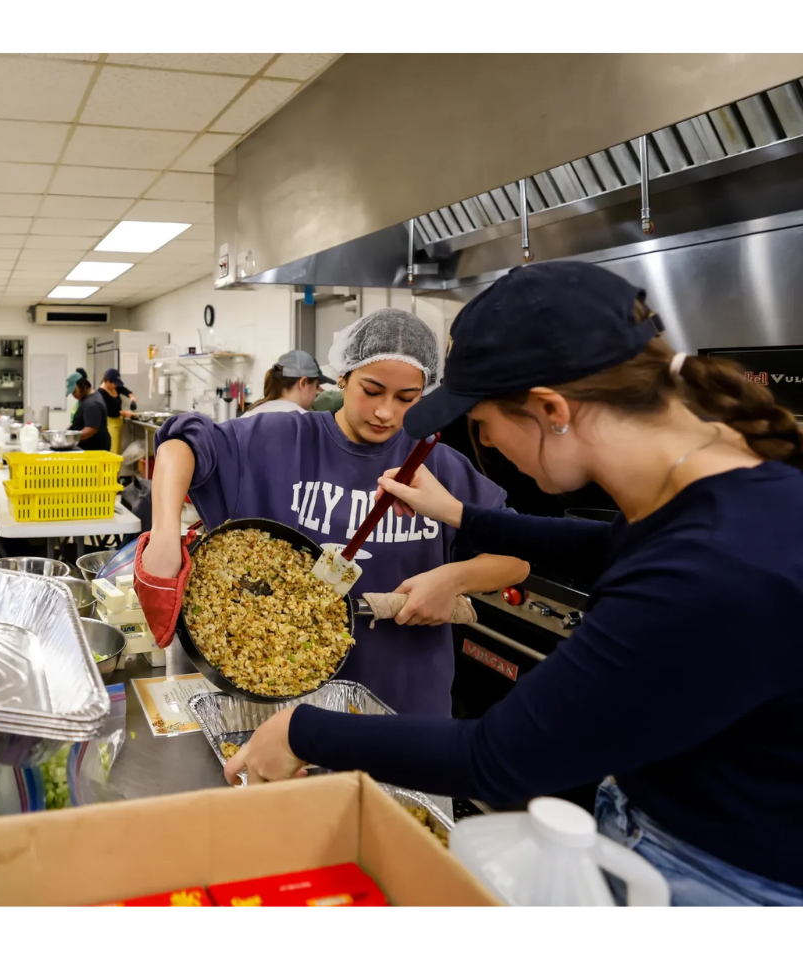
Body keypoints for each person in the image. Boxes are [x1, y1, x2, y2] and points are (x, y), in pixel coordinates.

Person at [224, 262, 803, 907]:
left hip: (727, 881)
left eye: (482, 423)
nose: (487, 444)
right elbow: (605, 545)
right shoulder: (727, 489)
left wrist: (304, 732)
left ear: (551, 410)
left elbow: (500, 758)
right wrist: (460, 517)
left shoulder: (713, 562)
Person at [135, 309, 528, 716]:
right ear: (342, 376)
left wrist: (453, 577)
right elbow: (181, 442)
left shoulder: (439, 468)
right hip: (282, 708)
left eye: (407, 399)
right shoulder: (280, 440)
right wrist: (164, 533)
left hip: (405, 710)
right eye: (371, 391)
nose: (386, 412)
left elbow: (517, 557)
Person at [243, 349, 334, 418]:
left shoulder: (250, 414)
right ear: (303, 384)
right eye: (317, 385)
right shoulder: (305, 421)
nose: (317, 392)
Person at [99, 367, 136, 455]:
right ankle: (112, 469)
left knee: (118, 450)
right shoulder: (101, 393)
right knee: (113, 451)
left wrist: (131, 397)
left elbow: (124, 389)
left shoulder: (115, 387)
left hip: (118, 422)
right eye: (114, 383)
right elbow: (111, 411)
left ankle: (117, 469)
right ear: (107, 382)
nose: (116, 385)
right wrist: (126, 413)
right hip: (110, 424)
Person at [71, 376, 112, 452]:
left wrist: (70, 438)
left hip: (94, 449)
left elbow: (91, 429)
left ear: (83, 385)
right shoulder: (87, 399)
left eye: (74, 391)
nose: (74, 395)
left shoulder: (92, 403)